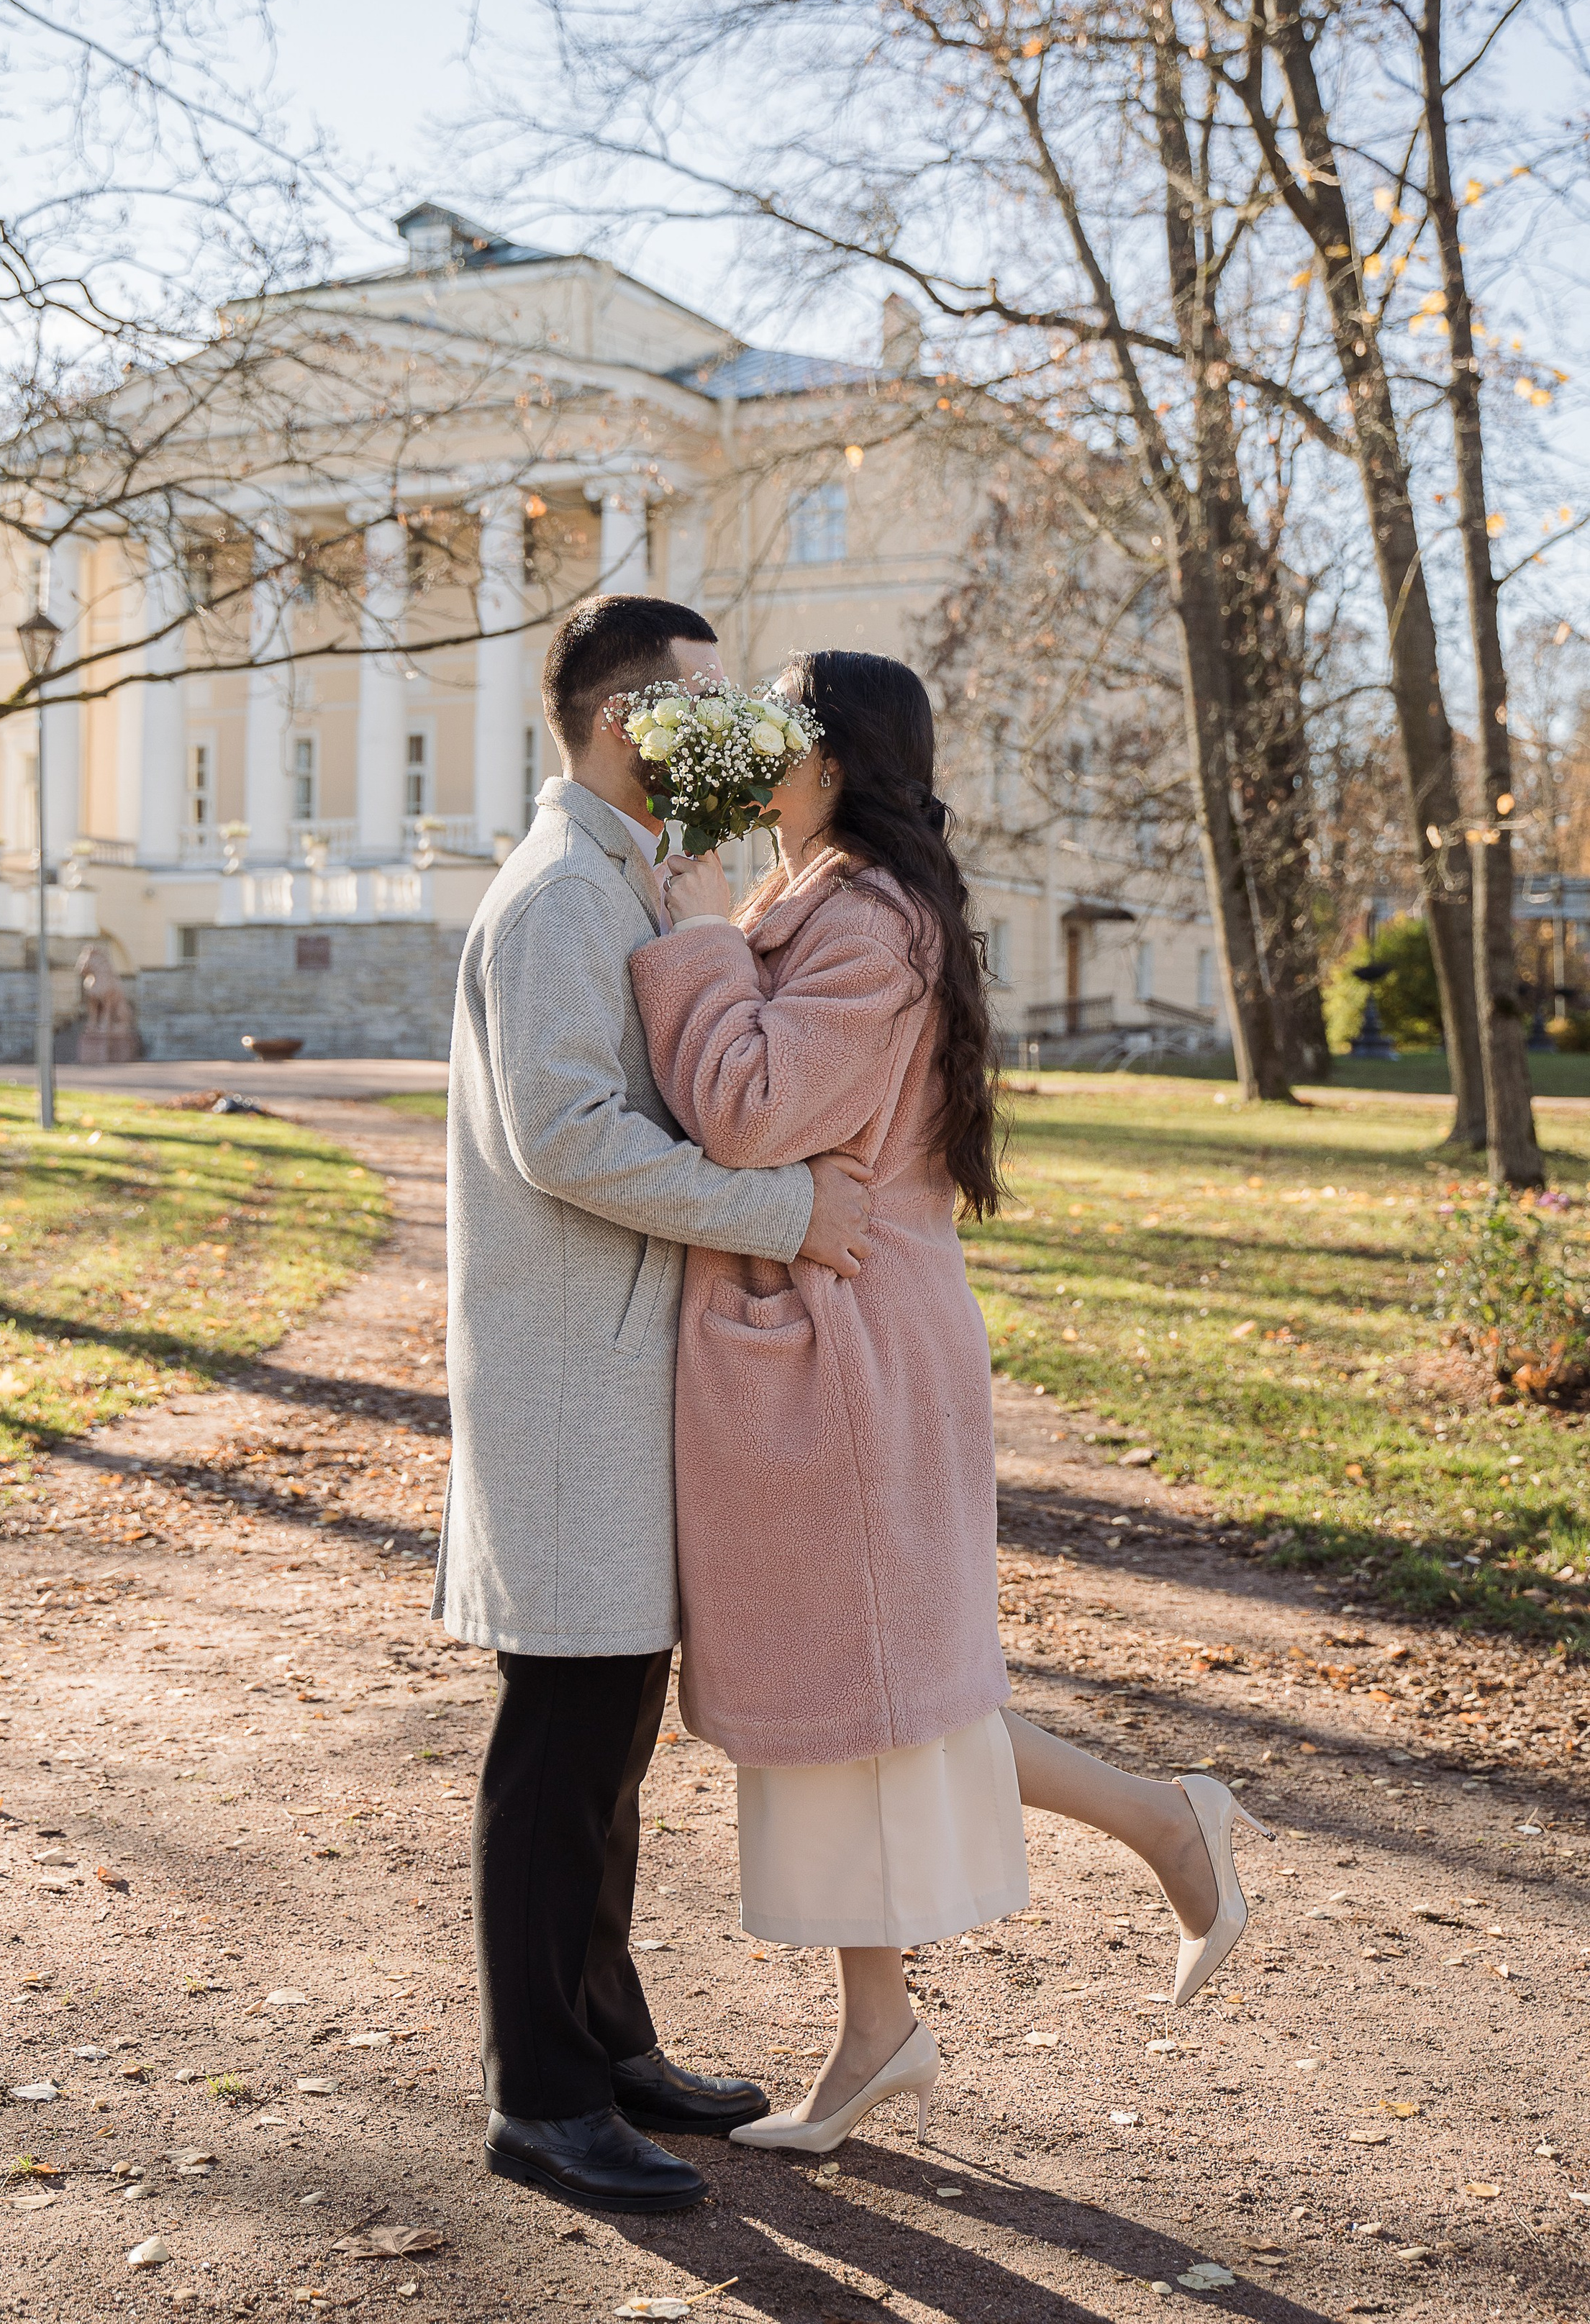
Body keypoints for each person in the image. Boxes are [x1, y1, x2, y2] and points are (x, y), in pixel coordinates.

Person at [630, 648, 1271, 2155]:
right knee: (848, 1703)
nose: (747, 754)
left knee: (881, 1700)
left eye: (776, 733)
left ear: (834, 756)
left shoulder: (864, 915)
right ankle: (879, 2033)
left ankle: (1163, 1821)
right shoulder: (826, 898)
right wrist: (719, 930)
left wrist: (682, 942)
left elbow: (750, 1111)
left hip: (849, 1350)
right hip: (820, 1334)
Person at [432, 594, 879, 2214]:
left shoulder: (623, 879)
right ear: (631, 722)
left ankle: (603, 2043)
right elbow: (566, 1137)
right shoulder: (560, 896)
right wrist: (779, 1215)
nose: (741, 737)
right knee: (555, 1748)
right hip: (566, 1390)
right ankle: (539, 2099)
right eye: (708, 707)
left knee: (607, 1738)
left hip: (616, 1383)